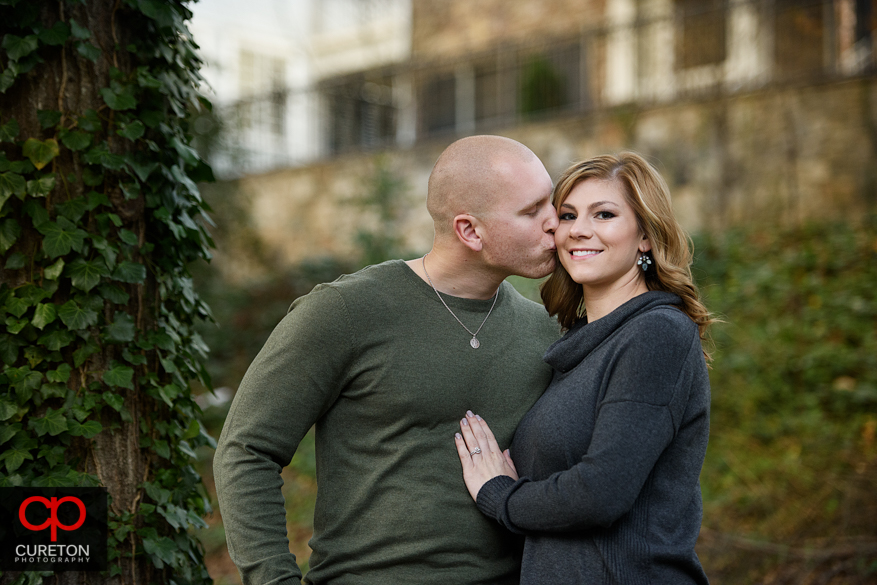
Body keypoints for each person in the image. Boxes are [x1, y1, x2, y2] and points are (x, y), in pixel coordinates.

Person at [213, 135, 562, 585]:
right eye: (532, 211)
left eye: (551, 203)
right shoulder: (347, 312)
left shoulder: (547, 332)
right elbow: (247, 449)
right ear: (470, 231)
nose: (557, 222)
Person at [455, 152, 714, 584]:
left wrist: (499, 494)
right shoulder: (577, 347)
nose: (578, 230)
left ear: (645, 236)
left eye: (605, 214)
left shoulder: (657, 333)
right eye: (569, 215)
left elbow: (601, 492)